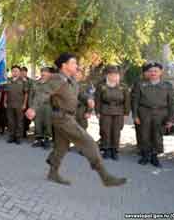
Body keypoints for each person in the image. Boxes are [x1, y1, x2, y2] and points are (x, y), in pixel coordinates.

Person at [26, 52, 126, 187]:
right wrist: (33, 108)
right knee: (89, 142)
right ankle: (105, 176)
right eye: (73, 63)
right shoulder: (57, 78)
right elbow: (43, 92)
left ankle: (53, 172)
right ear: (64, 65)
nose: (76, 65)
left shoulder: (72, 80)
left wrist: (88, 99)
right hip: (62, 118)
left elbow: (79, 94)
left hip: (67, 116)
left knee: (62, 147)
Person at [131, 61, 174, 168]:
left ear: (161, 72)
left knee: (157, 135)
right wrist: (135, 115)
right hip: (144, 112)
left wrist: (171, 119)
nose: (153, 73)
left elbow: (172, 103)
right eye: (151, 71)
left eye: (155, 71)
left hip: (161, 114)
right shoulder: (140, 84)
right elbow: (135, 101)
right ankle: (145, 155)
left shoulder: (167, 85)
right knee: (144, 134)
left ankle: (154, 156)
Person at [95, 66, 130, 160]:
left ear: (118, 76)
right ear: (107, 75)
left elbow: (127, 100)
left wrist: (126, 112)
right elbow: (97, 99)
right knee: (105, 130)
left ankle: (115, 150)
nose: (113, 77)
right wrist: (97, 111)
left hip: (119, 111)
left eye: (115, 75)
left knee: (116, 131)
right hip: (105, 110)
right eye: (111, 74)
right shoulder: (101, 86)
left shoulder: (123, 86)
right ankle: (106, 149)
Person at [3, 65, 29, 144]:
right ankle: (11, 136)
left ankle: (18, 137)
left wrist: (24, 104)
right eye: (13, 71)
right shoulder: (8, 81)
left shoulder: (24, 81)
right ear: (11, 72)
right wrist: (4, 101)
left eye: (16, 71)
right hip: (10, 104)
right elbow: (6, 93)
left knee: (19, 121)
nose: (15, 72)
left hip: (19, 104)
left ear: (19, 72)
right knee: (11, 121)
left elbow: (26, 94)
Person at [29, 67, 54, 149]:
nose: (43, 73)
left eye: (46, 72)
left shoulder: (52, 84)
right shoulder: (35, 83)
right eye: (42, 72)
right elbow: (31, 96)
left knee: (47, 123)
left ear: (49, 74)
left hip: (48, 106)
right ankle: (38, 139)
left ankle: (47, 140)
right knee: (37, 123)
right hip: (36, 106)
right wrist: (31, 107)